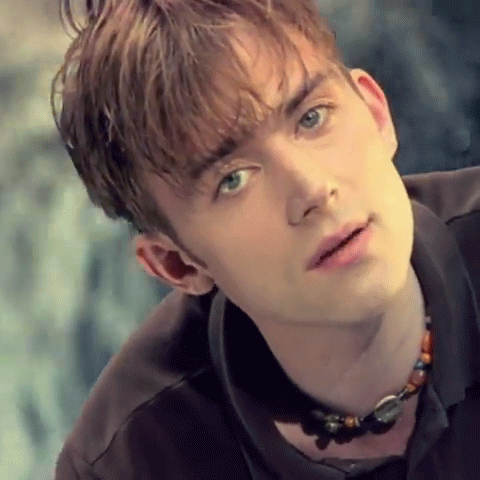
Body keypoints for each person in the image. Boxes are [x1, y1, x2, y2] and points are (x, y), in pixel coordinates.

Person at [53, 0, 480, 478]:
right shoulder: (128, 462)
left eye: (312, 118)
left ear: (375, 111)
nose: (313, 190)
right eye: (233, 180)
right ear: (179, 265)